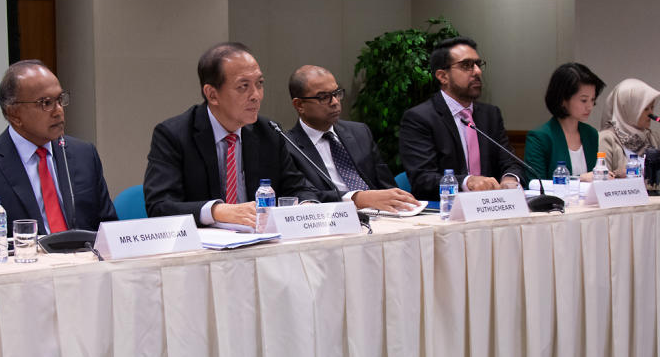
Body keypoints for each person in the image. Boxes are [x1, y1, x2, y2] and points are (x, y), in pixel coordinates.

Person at [143, 42, 322, 227]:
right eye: (243, 86)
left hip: (261, 242)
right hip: (205, 247)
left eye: (259, 84)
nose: (256, 95)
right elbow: (160, 206)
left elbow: (298, 187)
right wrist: (218, 211)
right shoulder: (174, 135)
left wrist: (306, 205)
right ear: (212, 95)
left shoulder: (268, 132)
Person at [0, 60, 117, 233]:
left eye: (60, 99)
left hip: (84, 257)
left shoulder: (84, 154)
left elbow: (109, 228)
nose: (58, 111)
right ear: (14, 114)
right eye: (46, 103)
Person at [399, 37, 525, 201]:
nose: (477, 71)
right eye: (466, 65)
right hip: (446, 213)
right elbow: (423, 180)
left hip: (492, 207)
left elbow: (509, 161)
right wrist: (467, 182)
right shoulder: (419, 118)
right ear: (442, 76)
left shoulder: (490, 115)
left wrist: (510, 178)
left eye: (478, 64)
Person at [285, 65, 418, 212]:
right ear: (299, 105)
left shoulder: (359, 132)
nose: (335, 102)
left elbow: (385, 185)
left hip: (382, 216)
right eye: (323, 97)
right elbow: (305, 196)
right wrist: (357, 199)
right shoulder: (287, 146)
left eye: (336, 93)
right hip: (333, 222)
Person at [525, 63, 606, 181]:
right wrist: (580, 178)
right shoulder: (540, 138)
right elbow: (535, 184)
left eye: (592, 100)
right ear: (563, 99)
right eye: (583, 100)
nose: (589, 106)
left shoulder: (591, 134)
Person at [598, 78, 660, 177]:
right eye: (645, 109)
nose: (651, 114)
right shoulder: (606, 139)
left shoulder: (652, 137)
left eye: (652, 107)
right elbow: (601, 179)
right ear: (628, 109)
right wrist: (619, 174)